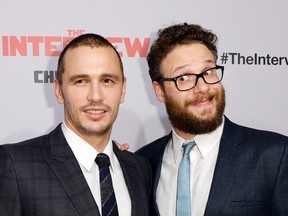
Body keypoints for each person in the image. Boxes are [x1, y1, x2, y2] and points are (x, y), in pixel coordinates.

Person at [136, 23, 288, 216]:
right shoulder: (143, 162)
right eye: (184, 78)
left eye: (208, 72)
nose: (203, 87)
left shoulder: (275, 156)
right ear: (159, 91)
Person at [0, 33, 151, 216]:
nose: (95, 96)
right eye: (81, 81)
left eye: (107, 81)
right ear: (58, 91)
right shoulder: (15, 165)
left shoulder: (139, 168)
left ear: (123, 90)